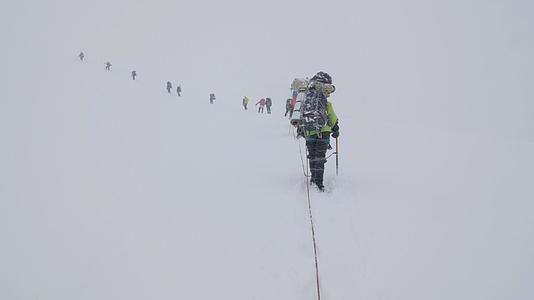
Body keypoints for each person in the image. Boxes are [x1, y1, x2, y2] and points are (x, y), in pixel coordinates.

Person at [297, 71, 339, 191]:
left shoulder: (305, 101)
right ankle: (319, 183)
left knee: (312, 155)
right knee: (320, 157)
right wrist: (336, 129)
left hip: (309, 131)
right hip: (324, 130)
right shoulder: (326, 103)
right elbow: (333, 118)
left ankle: (313, 180)